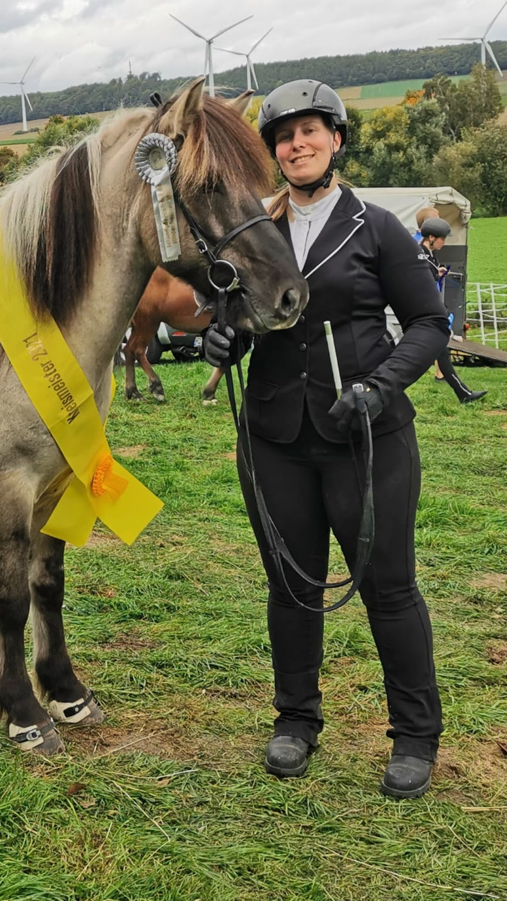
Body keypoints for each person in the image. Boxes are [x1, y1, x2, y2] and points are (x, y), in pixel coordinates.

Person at [204, 80, 447, 799]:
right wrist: (223, 338)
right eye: (284, 136)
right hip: (276, 436)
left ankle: (415, 734)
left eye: (310, 131)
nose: (297, 144)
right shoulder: (257, 231)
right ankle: (296, 718)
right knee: (291, 585)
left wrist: (381, 385)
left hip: (366, 436)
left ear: (336, 140)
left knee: (389, 588)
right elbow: (238, 315)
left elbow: (429, 323)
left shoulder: (377, 228)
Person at [417, 216, 486, 403]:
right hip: (423, 314)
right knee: (419, 356)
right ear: (432, 237)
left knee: (441, 352)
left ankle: (464, 394)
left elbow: (429, 277)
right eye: (442, 239)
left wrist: (437, 274)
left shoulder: (430, 255)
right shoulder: (420, 255)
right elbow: (420, 283)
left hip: (431, 311)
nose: (444, 243)